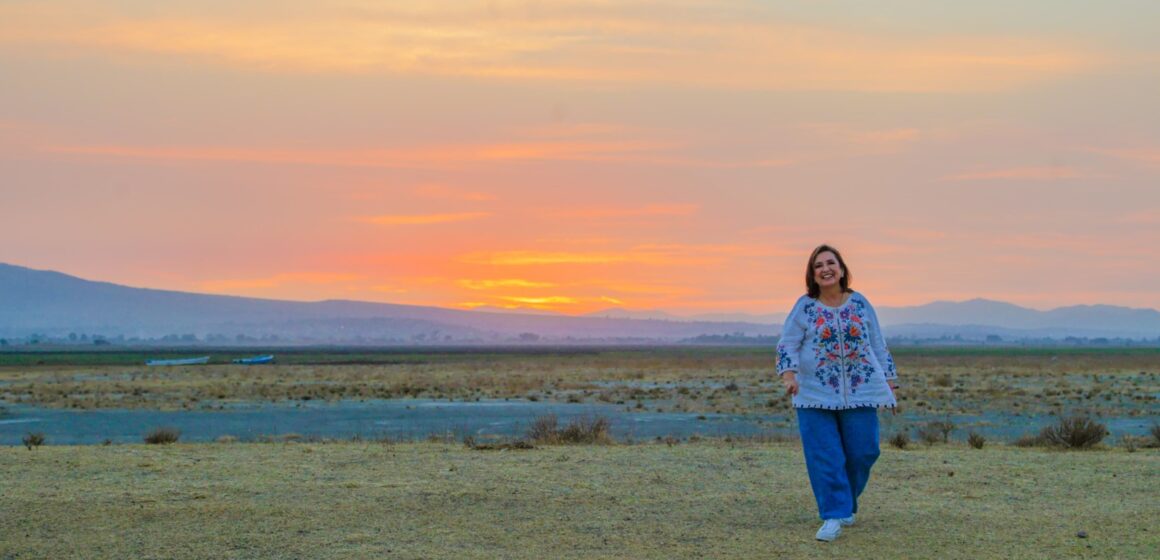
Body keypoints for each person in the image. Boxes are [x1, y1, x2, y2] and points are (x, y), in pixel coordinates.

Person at [776, 244, 899, 542]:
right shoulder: (805, 307)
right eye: (818, 265)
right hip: (814, 393)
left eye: (831, 263)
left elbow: (878, 345)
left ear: (842, 269)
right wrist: (789, 376)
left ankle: (844, 504)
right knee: (825, 455)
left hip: (861, 391)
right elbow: (787, 344)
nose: (825, 268)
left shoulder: (859, 304)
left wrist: (890, 384)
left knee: (865, 451)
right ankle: (833, 515)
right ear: (812, 274)